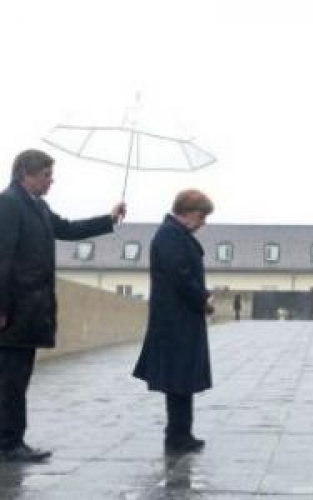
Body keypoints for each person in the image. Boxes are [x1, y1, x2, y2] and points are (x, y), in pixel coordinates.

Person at [0, 149, 126, 462]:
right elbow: (1, 258)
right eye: (46, 175)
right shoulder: (8, 204)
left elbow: (68, 229)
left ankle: (12, 439)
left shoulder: (38, 206)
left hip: (32, 307)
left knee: (18, 377)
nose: (51, 181)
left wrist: (109, 219)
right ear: (25, 174)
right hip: (15, 308)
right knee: (10, 380)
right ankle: (8, 443)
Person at [133, 189, 215, 454]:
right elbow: (180, 276)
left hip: (180, 318)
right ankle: (177, 435)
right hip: (175, 320)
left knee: (182, 379)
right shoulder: (170, 236)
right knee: (179, 379)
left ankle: (181, 433)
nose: (203, 223)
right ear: (189, 212)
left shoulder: (175, 235)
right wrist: (203, 299)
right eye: (202, 216)